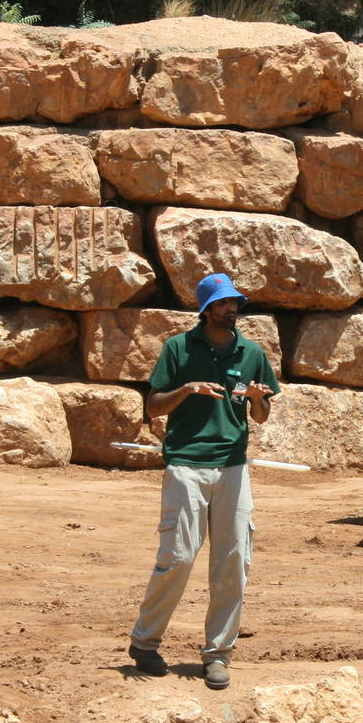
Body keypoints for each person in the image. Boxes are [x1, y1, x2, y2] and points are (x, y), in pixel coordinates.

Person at [126, 272, 279, 690]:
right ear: (207, 309)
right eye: (224, 303)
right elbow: (154, 406)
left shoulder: (251, 352)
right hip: (186, 465)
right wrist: (189, 389)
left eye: (235, 303)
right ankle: (144, 643)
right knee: (177, 555)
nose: (232, 309)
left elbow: (261, 417)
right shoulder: (178, 347)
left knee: (233, 562)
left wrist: (257, 399)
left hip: (233, 467)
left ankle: (217, 654)